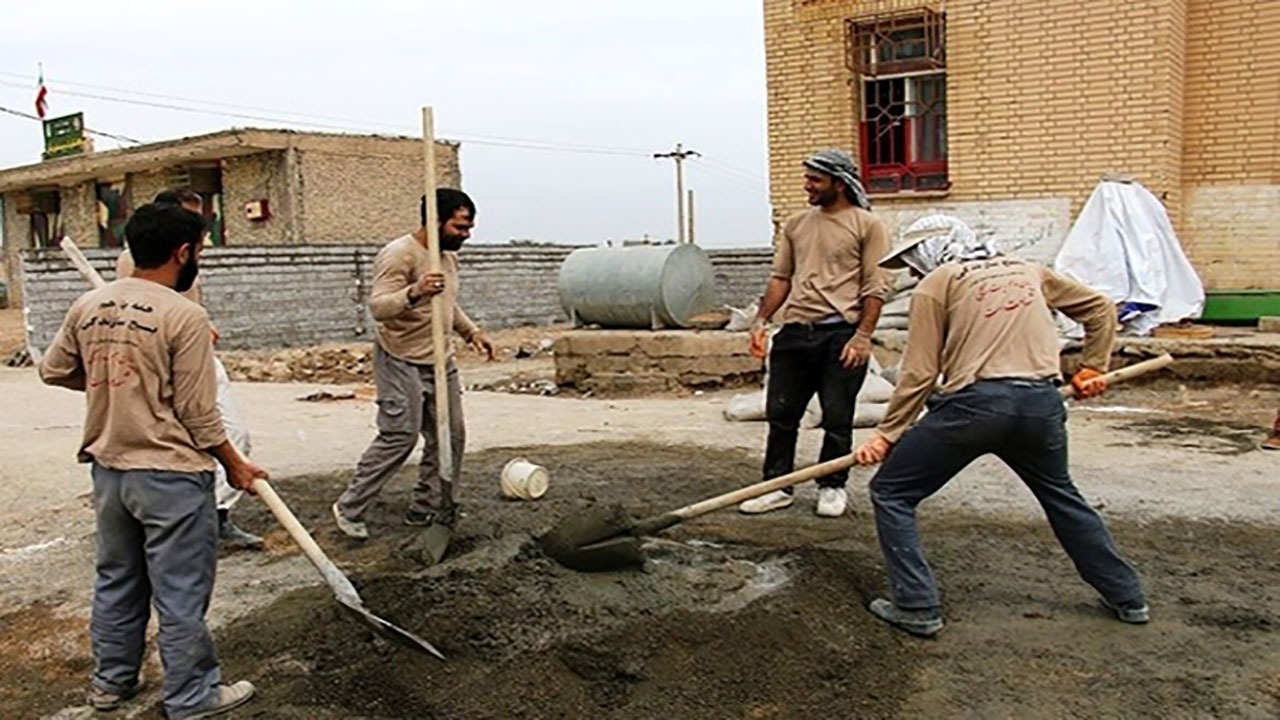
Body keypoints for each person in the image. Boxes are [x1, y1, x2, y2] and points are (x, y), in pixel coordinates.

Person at [851, 219, 1148, 637]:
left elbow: (919, 371)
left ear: (932, 250)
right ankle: (1128, 596)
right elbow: (1099, 307)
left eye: (915, 263)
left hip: (973, 409)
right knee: (1061, 495)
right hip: (1039, 407)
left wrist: (888, 433)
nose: (915, 273)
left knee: (892, 492)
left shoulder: (937, 283)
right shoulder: (1028, 270)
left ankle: (916, 604)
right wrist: (1092, 368)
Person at [39, 202, 262, 718]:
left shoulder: (89, 305)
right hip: (170, 475)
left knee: (117, 580)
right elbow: (197, 413)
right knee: (180, 594)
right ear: (183, 252)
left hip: (110, 473)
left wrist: (111, 387)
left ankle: (111, 684)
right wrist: (235, 464)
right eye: (200, 251)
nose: (198, 260)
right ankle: (192, 697)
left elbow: (54, 371)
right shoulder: (184, 315)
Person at [332, 189, 494, 539]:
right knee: (400, 436)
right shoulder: (399, 255)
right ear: (435, 221)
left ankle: (428, 508)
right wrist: (415, 291)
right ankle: (350, 507)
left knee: (450, 436)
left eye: (469, 227)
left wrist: (472, 332)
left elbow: (447, 306)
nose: (466, 234)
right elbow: (379, 308)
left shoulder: (447, 259)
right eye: (460, 226)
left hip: (440, 358)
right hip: (400, 357)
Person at [739, 149, 890, 518]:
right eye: (807, 178)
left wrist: (863, 336)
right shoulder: (796, 225)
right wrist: (761, 320)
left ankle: (832, 486)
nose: (807, 185)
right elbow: (781, 279)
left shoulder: (867, 225)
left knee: (838, 416)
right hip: (794, 334)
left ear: (839, 183)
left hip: (841, 335)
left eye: (815, 180)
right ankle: (776, 487)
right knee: (781, 415)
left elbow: (876, 285)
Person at [115, 189, 262, 550]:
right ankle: (196, 521)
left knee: (233, 434)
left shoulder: (186, 257)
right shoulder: (137, 262)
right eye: (192, 219)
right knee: (203, 434)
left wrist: (202, 324)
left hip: (195, 349)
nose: (202, 231)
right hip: (168, 359)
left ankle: (216, 514)